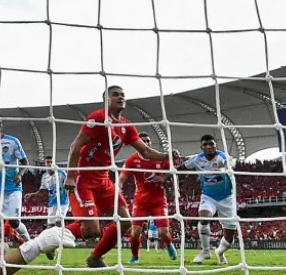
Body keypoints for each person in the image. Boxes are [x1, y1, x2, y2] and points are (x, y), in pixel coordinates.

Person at [63, 84, 181, 268]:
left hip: (103, 179)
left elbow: (146, 151)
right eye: (115, 94)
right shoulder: (98, 118)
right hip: (82, 177)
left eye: (123, 95)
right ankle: (51, 236)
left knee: (125, 222)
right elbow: (75, 146)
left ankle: (95, 257)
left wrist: (168, 156)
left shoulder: (126, 125)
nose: (121, 97)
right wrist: (70, 175)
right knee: (91, 231)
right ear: (106, 99)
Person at [177, 134, 239, 264]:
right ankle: (205, 252)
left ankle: (219, 252)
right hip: (208, 196)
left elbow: (231, 163)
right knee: (204, 217)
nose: (209, 146)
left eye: (211, 144)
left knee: (229, 239)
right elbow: (181, 168)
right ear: (201, 147)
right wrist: (165, 177)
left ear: (215, 145)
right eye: (205, 144)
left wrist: (223, 168)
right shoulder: (197, 159)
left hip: (227, 199)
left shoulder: (222, 157)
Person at [118, 132, 178, 263]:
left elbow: (173, 172)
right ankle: (135, 256)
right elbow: (122, 178)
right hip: (140, 200)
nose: (146, 143)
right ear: (137, 144)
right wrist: (118, 188)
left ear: (151, 143)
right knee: (135, 231)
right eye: (142, 140)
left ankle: (169, 245)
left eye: (148, 140)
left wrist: (163, 177)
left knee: (163, 232)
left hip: (159, 201)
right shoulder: (132, 160)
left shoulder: (159, 158)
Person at [28, 155, 69, 260]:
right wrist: (32, 194)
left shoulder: (61, 173)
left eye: (51, 162)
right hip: (52, 204)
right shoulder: (44, 177)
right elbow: (42, 191)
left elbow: (69, 185)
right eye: (47, 162)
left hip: (63, 203)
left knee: (58, 223)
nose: (49, 164)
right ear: (45, 164)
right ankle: (51, 248)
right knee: (50, 226)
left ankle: (57, 245)